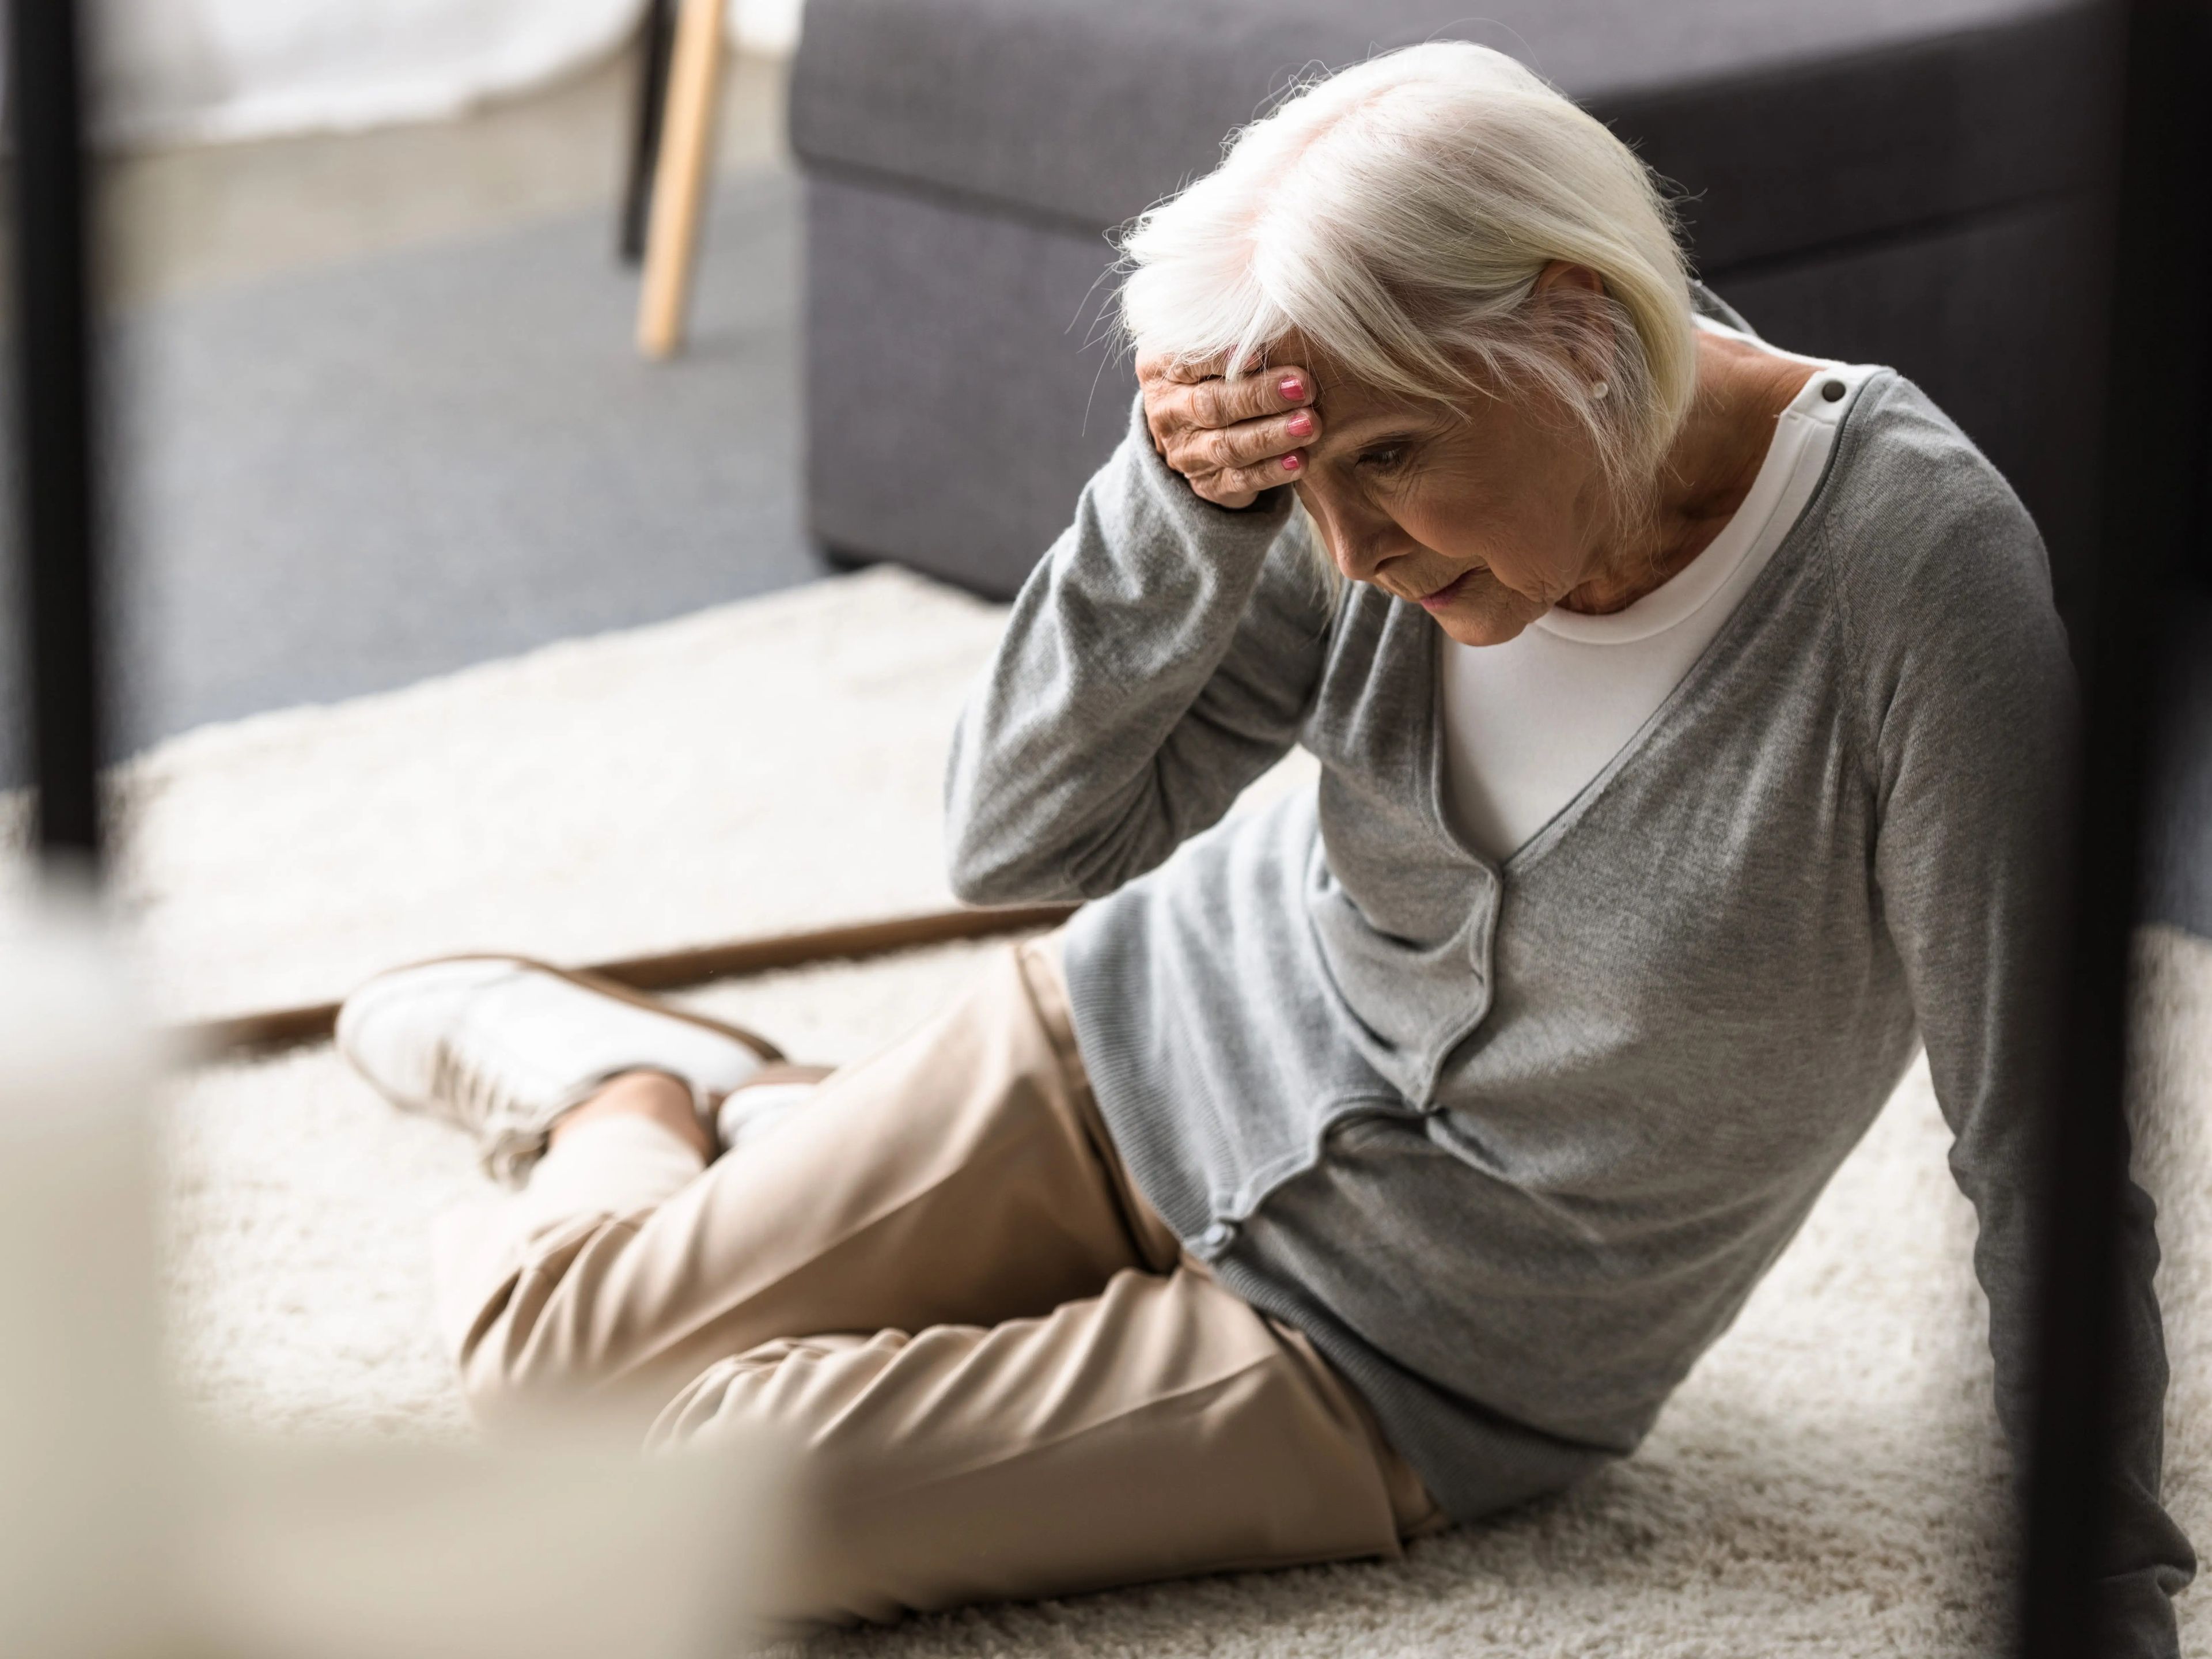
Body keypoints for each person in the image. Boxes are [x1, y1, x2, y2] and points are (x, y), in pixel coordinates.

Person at [335, 41, 2192, 1647]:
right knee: (546, 1367)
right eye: (1306, 483)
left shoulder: (1910, 578)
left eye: (1382, 458)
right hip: (1131, 1044)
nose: (1357, 551)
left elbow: (2035, 1127)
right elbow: (1022, 835)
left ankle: (774, 1132)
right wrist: (1183, 504)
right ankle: (639, 1093)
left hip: (1396, 1355)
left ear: (1576, 326)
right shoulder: (1357, 506)